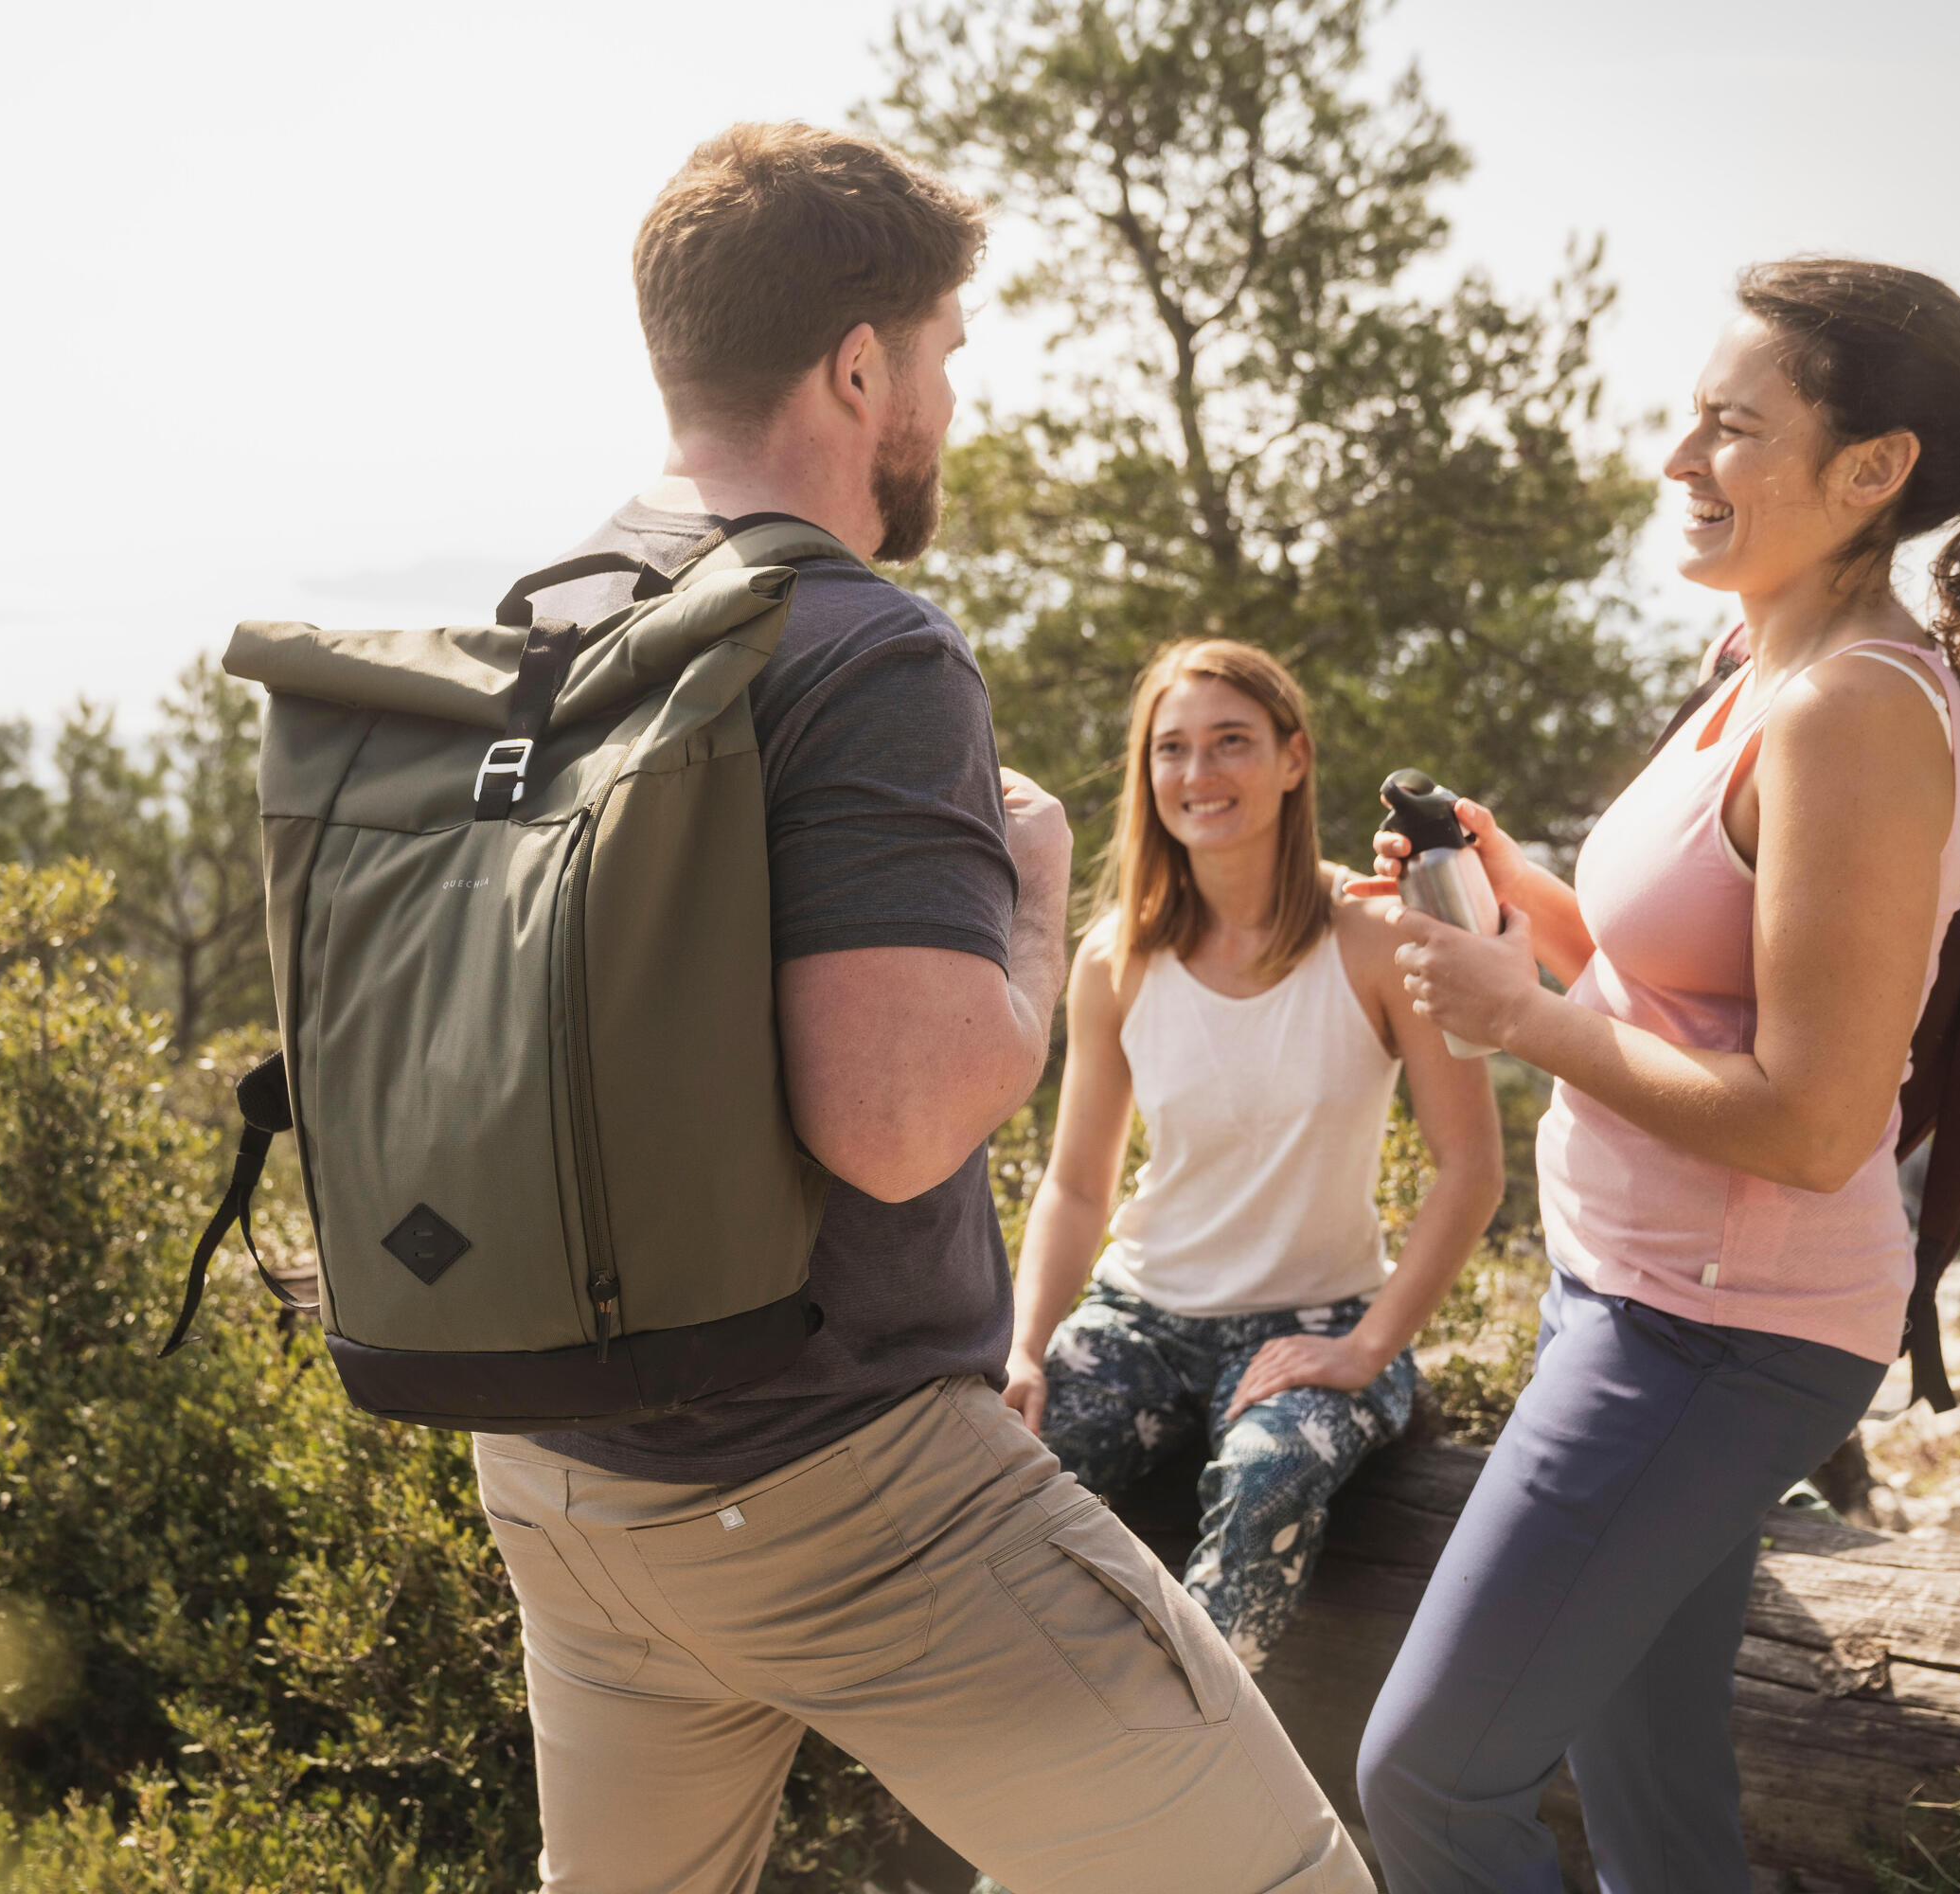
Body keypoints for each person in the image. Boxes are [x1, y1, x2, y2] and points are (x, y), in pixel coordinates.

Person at [465, 124, 1369, 1894]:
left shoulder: (550, 615)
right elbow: (890, 1124)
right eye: (945, 354)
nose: (949, 399)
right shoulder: (865, 643)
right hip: (842, 1489)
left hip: (563, 1480)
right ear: (859, 364)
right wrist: (1033, 903)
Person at [1351, 258, 1960, 1893]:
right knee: (1654, 1798)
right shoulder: (1759, 660)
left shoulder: (1854, 713)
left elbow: (1818, 1119)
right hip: (1635, 1296)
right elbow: (1665, 981)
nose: (1677, 464)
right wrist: (1502, 883)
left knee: (1427, 1780)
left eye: (1729, 431)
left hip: (1716, 1332)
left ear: (1873, 471)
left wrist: (1519, 1019)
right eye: (1684, 422)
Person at [1004, 639, 1503, 1670]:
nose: (1200, 774)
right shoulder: (1116, 958)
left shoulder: (1373, 936)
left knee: (1269, 1477)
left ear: (1293, 758)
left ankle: (1191, 1773)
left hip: (1317, 1320)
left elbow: (1471, 1167)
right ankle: (1025, 1769)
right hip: (1141, 1314)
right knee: (1006, 1485)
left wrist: (1367, 1347)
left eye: (1232, 742)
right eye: (1173, 749)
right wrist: (1024, 1342)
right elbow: (1077, 1181)